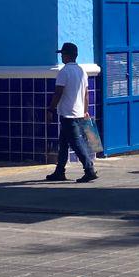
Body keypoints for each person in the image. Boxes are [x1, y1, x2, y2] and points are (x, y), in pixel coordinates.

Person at [45, 42, 98, 183]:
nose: (62, 56)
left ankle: (89, 169)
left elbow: (58, 93)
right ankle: (59, 171)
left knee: (76, 143)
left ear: (67, 56)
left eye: (63, 54)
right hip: (79, 113)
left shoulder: (64, 72)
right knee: (63, 143)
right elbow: (86, 94)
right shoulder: (81, 71)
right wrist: (85, 110)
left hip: (68, 114)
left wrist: (50, 109)